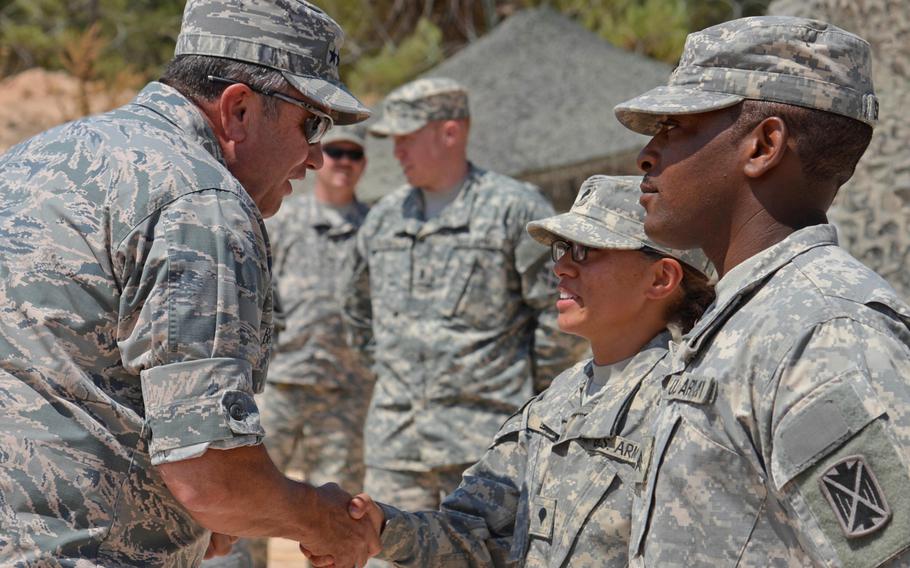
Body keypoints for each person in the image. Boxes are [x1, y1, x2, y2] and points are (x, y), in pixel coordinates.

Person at [0, 0, 380, 566]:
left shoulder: (33, 159)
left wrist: (193, 521)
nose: (317, 158)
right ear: (239, 109)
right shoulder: (201, 202)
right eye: (313, 123)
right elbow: (212, 480)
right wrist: (324, 523)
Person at [611, 16, 910, 567]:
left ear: (764, 145)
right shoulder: (748, 320)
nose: (647, 155)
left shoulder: (823, 335)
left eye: (676, 127)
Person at [341, 175, 714, 567]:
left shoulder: (689, 406)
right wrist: (381, 528)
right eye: (562, 249)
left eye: (586, 251)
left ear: (660, 278)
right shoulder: (559, 400)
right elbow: (475, 534)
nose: (562, 268)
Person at [341, 77, 587, 538]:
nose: (396, 152)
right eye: (393, 140)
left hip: (486, 447)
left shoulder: (514, 210)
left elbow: (556, 315)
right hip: (397, 447)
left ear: (450, 132)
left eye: (407, 138)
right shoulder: (384, 218)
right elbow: (355, 310)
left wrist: (526, 400)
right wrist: (395, 372)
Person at [244, 124, 374, 568]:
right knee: (252, 501)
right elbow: (259, 296)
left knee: (339, 512)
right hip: (283, 384)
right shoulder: (283, 222)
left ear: (363, 165)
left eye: (353, 156)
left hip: (346, 391)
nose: (342, 162)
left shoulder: (375, 230)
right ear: (319, 157)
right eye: (334, 151)